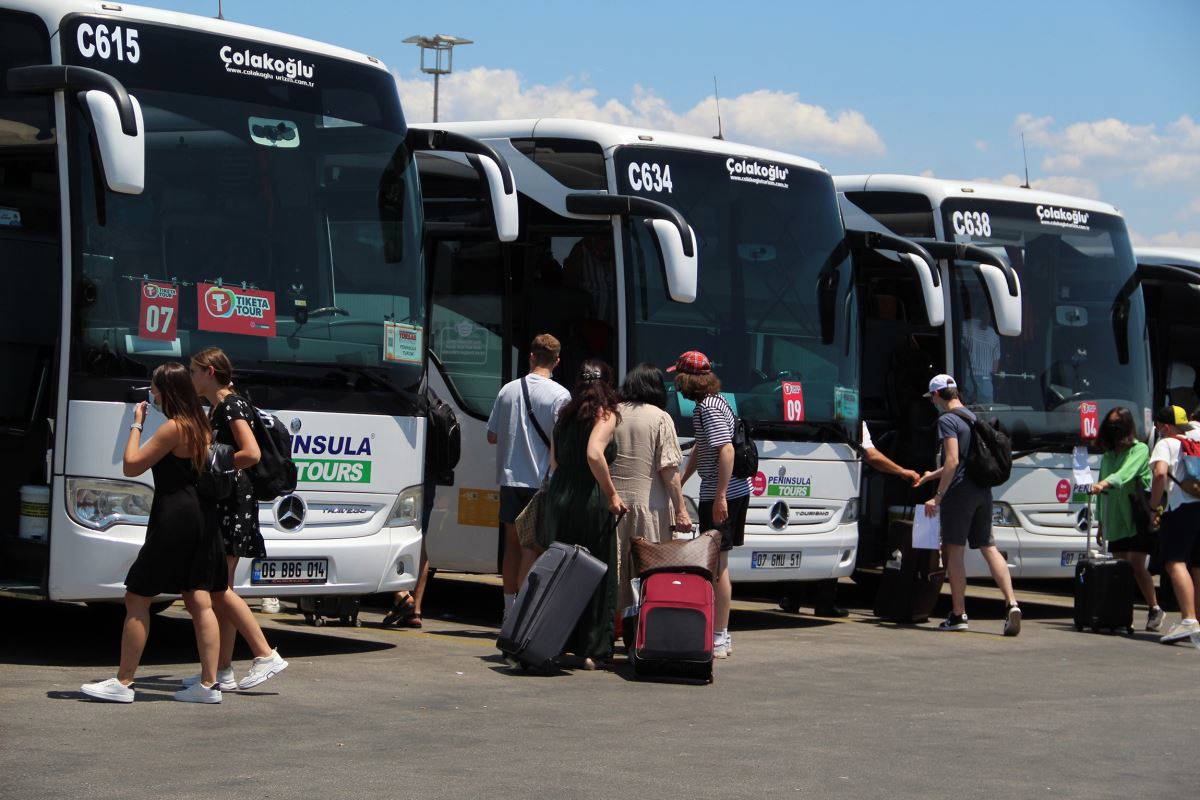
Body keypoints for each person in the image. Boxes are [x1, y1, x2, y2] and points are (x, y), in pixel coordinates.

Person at [81, 363, 228, 704]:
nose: (151, 394)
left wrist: (136, 423)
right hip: (201, 516)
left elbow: (132, 464)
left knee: (137, 597)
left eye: (154, 389)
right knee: (198, 599)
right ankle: (208, 685)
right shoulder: (201, 424)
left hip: (173, 516)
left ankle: (123, 681)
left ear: (166, 392)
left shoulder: (174, 428)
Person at [188, 347, 288, 690]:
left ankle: (264, 655)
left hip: (233, 500)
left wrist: (211, 462)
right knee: (222, 587)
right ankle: (222, 670)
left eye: (194, 371)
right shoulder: (220, 405)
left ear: (210, 372)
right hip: (227, 499)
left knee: (218, 587)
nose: (191, 378)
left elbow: (251, 452)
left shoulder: (231, 404)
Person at [535, 359, 628, 668]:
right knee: (596, 571)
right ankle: (591, 648)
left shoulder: (564, 416)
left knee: (562, 571)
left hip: (560, 497)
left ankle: (556, 641)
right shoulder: (607, 414)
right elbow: (594, 453)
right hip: (590, 498)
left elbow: (554, 462)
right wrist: (612, 494)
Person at [917, 374, 1021, 635]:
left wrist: (937, 496)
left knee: (954, 552)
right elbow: (964, 461)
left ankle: (958, 613)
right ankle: (1011, 603)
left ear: (937, 395)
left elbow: (953, 461)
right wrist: (932, 474)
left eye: (932, 397)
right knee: (989, 547)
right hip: (982, 489)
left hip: (959, 493)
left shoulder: (947, 420)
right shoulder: (974, 417)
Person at [486, 334, 572, 619]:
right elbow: (560, 443)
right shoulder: (560, 396)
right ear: (557, 361)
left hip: (510, 479)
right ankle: (525, 614)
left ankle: (508, 609)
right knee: (531, 548)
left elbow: (492, 435)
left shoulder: (507, 390)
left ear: (531, 356)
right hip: (540, 483)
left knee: (511, 547)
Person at [674, 351, 749, 658]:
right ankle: (717, 632)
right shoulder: (717, 403)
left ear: (688, 379)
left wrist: (719, 496)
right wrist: (683, 478)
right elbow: (702, 447)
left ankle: (720, 635)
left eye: (678, 376)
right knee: (717, 563)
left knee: (719, 566)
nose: (676, 383)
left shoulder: (707, 407)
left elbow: (726, 450)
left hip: (723, 493)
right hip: (727, 490)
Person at [611, 363, 692, 612]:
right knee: (646, 573)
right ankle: (640, 630)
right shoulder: (660, 418)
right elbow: (668, 469)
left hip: (613, 507)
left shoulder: (612, 413)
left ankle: (611, 626)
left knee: (616, 570)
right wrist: (681, 509)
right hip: (650, 511)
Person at [1090, 407, 1163, 631]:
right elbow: (1102, 490)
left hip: (1138, 515)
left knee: (1136, 564)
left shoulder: (1139, 450)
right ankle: (1120, 613)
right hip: (1116, 518)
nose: (1114, 430)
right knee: (1119, 567)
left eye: (1117, 425)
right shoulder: (1108, 454)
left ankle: (1154, 608)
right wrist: (1101, 522)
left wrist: (1104, 483)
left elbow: (1125, 474)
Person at [1147, 405, 1200, 644]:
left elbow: (1159, 474)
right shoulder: (1195, 441)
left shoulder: (1166, 443)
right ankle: (1197, 619)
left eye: (1158, 427)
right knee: (1198, 565)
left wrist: (1153, 507)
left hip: (1180, 509)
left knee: (1175, 562)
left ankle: (1188, 620)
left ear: (1165, 426)